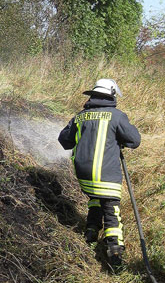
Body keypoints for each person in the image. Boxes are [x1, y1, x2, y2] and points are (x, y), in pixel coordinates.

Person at [58, 78, 141, 271]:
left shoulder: (80, 116)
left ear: (93, 95)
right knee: (112, 211)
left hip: (84, 177)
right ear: (111, 95)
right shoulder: (117, 116)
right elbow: (135, 140)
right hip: (106, 176)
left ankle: (91, 232)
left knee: (96, 197)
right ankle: (115, 254)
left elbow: (64, 141)